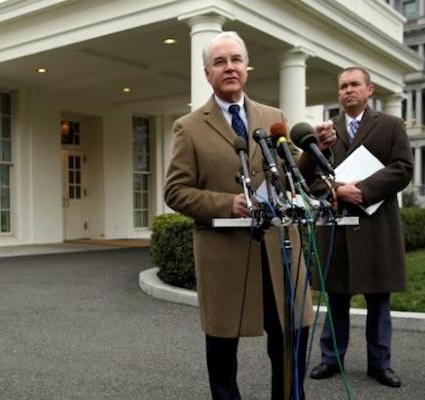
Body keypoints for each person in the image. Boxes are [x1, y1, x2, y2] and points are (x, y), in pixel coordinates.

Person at [164, 31, 313, 400]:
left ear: (246, 67)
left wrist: (315, 150)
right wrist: (226, 203)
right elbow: (175, 191)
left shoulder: (273, 116)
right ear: (207, 73)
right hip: (226, 255)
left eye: (235, 60)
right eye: (220, 62)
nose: (229, 68)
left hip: (280, 252)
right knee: (223, 353)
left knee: (290, 341)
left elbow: (297, 169)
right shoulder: (190, 126)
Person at [300, 66, 413, 388]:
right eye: (343, 86)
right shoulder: (325, 130)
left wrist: (362, 188)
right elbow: (308, 179)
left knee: (379, 299)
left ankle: (381, 363)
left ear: (369, 90)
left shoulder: (390, 125)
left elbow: (403, 168)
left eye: (354, 85)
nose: (348, 90)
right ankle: (330, 358)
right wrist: (335, 187)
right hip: (338, 227)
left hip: (377, 226)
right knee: (336, 297)